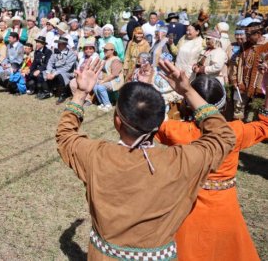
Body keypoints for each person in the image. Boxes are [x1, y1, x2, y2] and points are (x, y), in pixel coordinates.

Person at [56, 58, 235, 261]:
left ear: (117, 121)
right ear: (159, 124)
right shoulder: (181, 161)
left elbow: (65, 135)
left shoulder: (97, 156)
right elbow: (223, 136)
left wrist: (80, 94)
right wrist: (188, 91)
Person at [156, 74, 266, 261]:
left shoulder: (176, 131)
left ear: (188, 102)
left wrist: (144, 86)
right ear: (222, 105)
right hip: (225, 208)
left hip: (187, 208)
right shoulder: (235, 132)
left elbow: (137, 123)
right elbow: (265, 124)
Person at [229, 22, 268, 120]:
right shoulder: (244, 46)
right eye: (246, 35)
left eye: (249, 35)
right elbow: (236, 64)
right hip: (242, 88)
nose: (246, 37)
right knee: (238, 114)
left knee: (254, 117)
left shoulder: (266, 47)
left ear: (258, 34)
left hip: (261, 91)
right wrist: (234, 80)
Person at [44, 37, 76, 104]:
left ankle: (63, 94)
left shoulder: (71, 54)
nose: (58, 45)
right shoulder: (55, 52)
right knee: (43, 73)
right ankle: (48, 91)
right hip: (56, 71)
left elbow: (67, 68)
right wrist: (48, 72)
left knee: (60, 76)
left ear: (65, 44)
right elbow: (50, 63)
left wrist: (54, 73)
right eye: (58, 43)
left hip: (67, 72)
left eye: (60, 43)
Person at [93, 42, 124, 111]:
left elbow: (114, 75)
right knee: (94, 85)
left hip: (115, 81)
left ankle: (108, 105)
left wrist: (103, 81)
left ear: (112, 50)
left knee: (100, 87)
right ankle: (102, 103)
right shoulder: (104, 58)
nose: (104, 51)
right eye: (104, 50)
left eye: (106, 50)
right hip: (107, 80)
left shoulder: (116, 60)